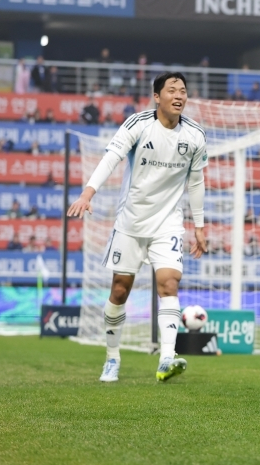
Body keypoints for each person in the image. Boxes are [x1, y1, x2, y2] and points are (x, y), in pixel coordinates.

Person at [67, 72, 209, 383]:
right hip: (130, 221)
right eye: (171, 90)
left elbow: (196, 181)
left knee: (169, 284)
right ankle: (112, 358)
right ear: (157, 97)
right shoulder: (138, 124)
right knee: (120, 290)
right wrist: (88, 192)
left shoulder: (195, 135)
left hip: (168, 223)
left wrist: (199, 226)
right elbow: (111, 158)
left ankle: (166, 358)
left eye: (183, 91)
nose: (179, 95)